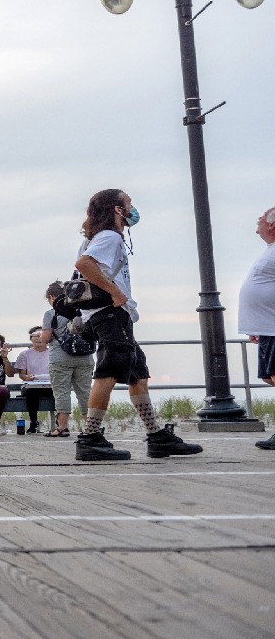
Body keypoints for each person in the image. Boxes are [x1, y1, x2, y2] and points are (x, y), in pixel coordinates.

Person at [72, 188, 202, 461]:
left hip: (110, 316)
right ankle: (90, 437)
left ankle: (156, 436)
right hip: (109, 314)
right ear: (117, 210)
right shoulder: (107, 237)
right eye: (128, 204)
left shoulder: (98, 237)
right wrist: (116, 292)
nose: (133, 209)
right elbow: (84, 264)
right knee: (107, 371)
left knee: (137, 373)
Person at [238, 205, 275, 450]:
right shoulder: (270, 251)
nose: (258, 219)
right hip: (267, 327)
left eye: (262, 216)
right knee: (270, 377)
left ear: (272, 224)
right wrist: (256, 324)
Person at [40, 281, 93, 437]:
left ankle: (62, 427)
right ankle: (91, 427)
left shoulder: (51, 314)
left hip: (60, 357)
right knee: (85, 393)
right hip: (84, 356)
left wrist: (42, 336)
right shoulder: (83, 311)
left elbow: (46, 337)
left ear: (51, 297)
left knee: (62, 392)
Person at [13, 326, 53, 434]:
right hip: (32, 385)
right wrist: (27, 377)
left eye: (41, 335)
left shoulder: (53, 353)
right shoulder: (24, 354)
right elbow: (22, 374)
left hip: (50, 385)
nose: (38, 339)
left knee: (61, 391)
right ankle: (34, 422)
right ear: (31, 339)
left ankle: (60, 423)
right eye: (35, 336)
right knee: (31, 392)